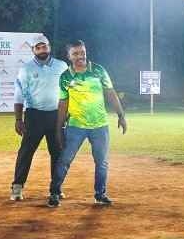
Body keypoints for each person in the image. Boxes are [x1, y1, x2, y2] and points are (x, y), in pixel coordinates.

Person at [47, 40, 127, 207]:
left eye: (82, 52)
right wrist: (58, 128)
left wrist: (121, 114)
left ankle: (100, 194)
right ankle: (54, 193)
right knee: (64, 160)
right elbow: (63, 103)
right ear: (68, 56)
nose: (80, 56)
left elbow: (110, 93)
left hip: (100, 126)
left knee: (102, 162)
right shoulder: (65, 77)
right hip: (76, 126)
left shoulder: (98, 70)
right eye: (75, 53)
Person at [9, 34, 68, 201]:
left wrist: (67, 115)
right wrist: (18, 119)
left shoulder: (61, 66)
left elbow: (68, 92)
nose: (43, 49)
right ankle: (17, 187)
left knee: (57, 152)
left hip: (56, 115)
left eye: (45, 46)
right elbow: (18, 96)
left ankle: (55, 188)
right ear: (33, 50)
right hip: (34, 115)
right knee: (26, 152)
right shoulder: (26, 69)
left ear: (49, 47)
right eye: (38, 47)